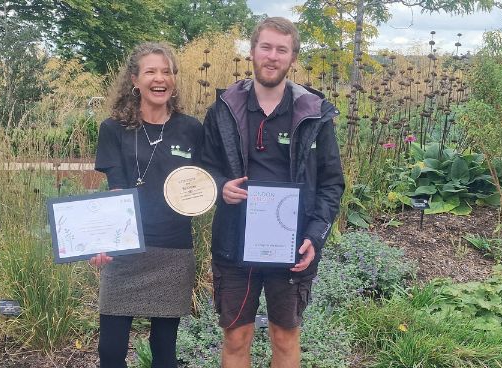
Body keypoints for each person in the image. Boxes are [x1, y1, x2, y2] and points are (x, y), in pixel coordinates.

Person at [201, 17, 345, 368]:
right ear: (252, 52)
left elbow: (332, 183)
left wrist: (315, 235)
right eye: (265, 47)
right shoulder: (222, 110)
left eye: (282, 49)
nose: (272, 56)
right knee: (236, 337)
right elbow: (205, 168)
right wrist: (221, 187)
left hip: (291, 244)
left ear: (292, 57)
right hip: (234, 243)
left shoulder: (314, 114)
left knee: (285, 336)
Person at [90, 42, 203, 368]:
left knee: (164, 351)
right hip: (126, 252)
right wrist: (103, 241)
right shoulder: (113, 129)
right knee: (110, 352)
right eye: (151, 71)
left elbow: (207, 183)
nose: (160, 78)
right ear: (134, 80)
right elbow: (117, 192)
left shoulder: (192, 129)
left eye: (166, 71)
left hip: (174, 251)